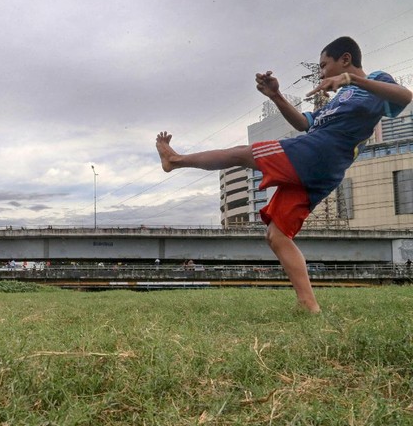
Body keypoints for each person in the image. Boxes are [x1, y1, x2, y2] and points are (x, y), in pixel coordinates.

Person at [156, 36, 412, 313]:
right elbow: (304, 124)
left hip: (320, 153)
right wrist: (276, 96)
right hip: (321, 166)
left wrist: (352, 79)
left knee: (241, 153)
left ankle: (176, 159)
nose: (322, 73)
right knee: (276, 235)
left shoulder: (373, 81)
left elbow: (405, 97)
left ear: (346, 59)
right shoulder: (334, 102)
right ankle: (309, 305)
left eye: (325, 65)